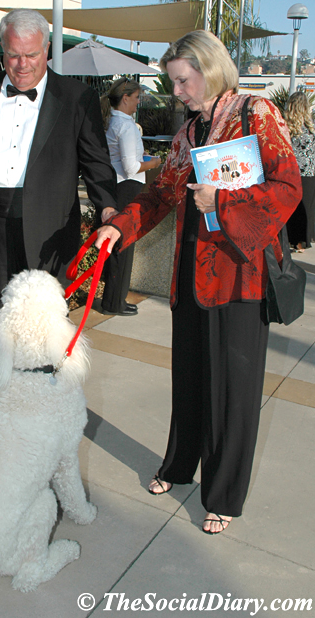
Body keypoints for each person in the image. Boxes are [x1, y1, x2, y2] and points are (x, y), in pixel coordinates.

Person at [96, 30, 302, 534]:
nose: (177, 92)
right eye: (173, 83)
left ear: (210, 70)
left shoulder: (256, 114)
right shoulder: (188, 132)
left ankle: (225, 494)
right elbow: (162, 194)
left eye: (183, 81)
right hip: (190, 273)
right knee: (189, 378)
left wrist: (224, 205)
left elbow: (288, 187)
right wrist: (117, 226)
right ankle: (179, 465)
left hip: (240, 275)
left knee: (233, 389)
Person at [0, 9, 117, 390]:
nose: (21, 65)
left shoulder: (76, 97)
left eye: (32, 55)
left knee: (44, 318)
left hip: (50, 224)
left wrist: (108, 211)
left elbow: (96, 162)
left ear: (48, 49)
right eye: (13, 55)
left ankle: (41, 398)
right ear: (2, 50)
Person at [99, 78, 161, 316]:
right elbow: (130, 167)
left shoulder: (113, 122)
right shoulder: (125, 126)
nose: (138, 102)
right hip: (126, 187)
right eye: (136, 97)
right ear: (125, 98)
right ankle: (114, 302)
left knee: (118, 246)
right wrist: (154, 162)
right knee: (122, 247)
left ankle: (115, 299)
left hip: (119, 187)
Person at [284, 91, 315, 252]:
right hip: (309, 172)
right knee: (306, 208)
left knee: (289, 206)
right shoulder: (311, 127)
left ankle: (287, 239)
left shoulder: (284, 125)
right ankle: (302, 242)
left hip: (289, 170)